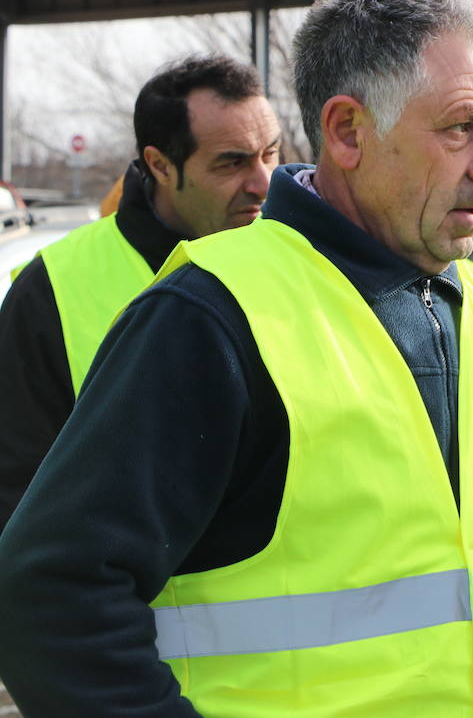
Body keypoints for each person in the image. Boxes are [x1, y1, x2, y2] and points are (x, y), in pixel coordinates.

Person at [0, 0, 473, 718]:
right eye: (461, 128)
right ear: (346, 131)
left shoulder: (462, 303)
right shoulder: (212, 313)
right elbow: (50, 592)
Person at [0, 54, 281, 529]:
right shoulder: (50, 290)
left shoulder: (306, 260)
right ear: (160, 165)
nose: (263, 182)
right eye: (232, 163)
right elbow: (17, 502)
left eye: (270, 153)